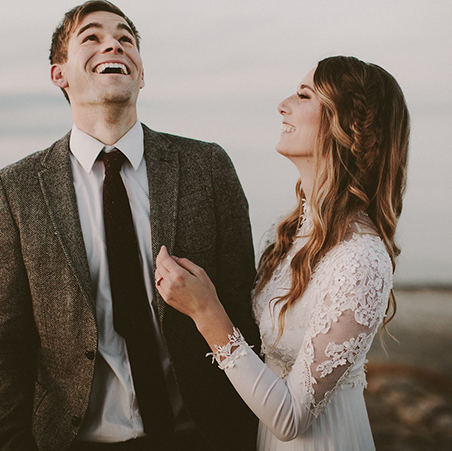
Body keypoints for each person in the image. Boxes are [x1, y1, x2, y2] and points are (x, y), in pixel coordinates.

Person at [0, 0, 260, 451]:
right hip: (76, 440)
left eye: (126, 38)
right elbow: (4, 339)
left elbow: (245, 304)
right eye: (92, 36)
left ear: (141, 73)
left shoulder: (208, 166)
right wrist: (14, 441)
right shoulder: (18, 188)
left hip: (203, 434)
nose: (114, 43)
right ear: (60, 74)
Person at [155, 55, 410, 450]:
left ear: (344, 124)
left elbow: (291, 418)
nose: (283, 104)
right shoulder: (292, 234)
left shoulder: (360, 260)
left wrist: (206, 311)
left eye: (304, 95)